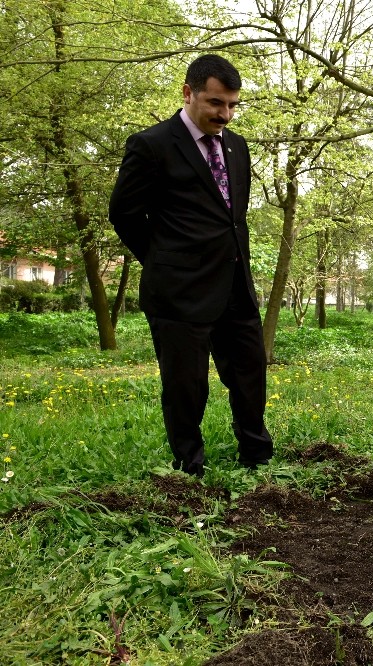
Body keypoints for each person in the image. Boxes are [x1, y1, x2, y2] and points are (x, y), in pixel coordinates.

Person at [109, 54, 273, 477]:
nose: (226, 114)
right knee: (186, 385)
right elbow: (124, 214)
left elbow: (233, 215)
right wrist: (165, 260)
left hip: (235, 283)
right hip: (179, 291)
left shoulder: (236, 146)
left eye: (234, 105)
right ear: (188, 93)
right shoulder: (151, 145)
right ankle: (189, 467)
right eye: (216, 103)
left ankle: (256, 454)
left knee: (249, 371)